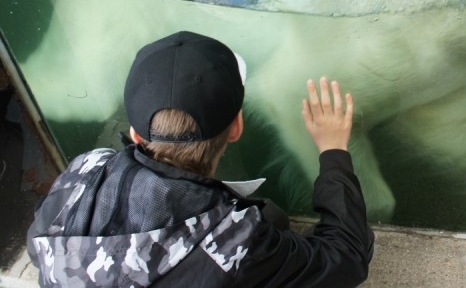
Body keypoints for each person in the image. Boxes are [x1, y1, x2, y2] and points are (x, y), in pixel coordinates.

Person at [26, 31, 374, 287]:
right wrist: (334, 151)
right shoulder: (236, 243)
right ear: (237, 127)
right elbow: (345, 257)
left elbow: (37, 244)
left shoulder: (84, 171)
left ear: (134, 133)